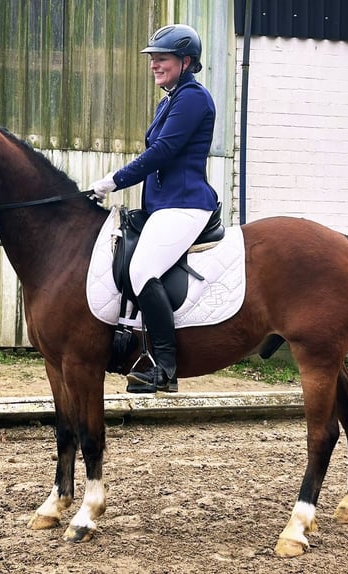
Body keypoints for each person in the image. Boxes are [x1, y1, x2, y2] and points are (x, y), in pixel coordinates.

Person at [91, 24, 218, 394]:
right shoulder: (171, 98)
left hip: (186, 204)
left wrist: (111, 181)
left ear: (186, 61)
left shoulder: (193, 97)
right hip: (164, 204)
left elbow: (162, 152)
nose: (154, 65)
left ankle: (165, 368)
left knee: (142, 269)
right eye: (153, 59)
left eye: (161, 59)